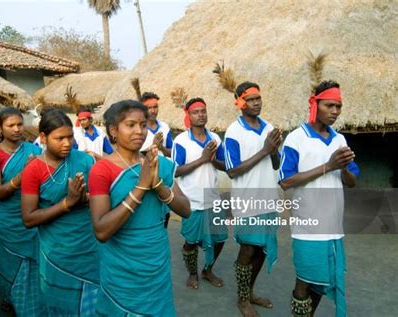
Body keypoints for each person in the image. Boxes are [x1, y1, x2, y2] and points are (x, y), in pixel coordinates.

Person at [88, 100, 190, 316]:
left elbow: (186, 210)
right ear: (114, 131)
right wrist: (141, 187)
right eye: (131, 125)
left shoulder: (158, 163)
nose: (139, 131)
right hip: (122, 265)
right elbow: (101, 231)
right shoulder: (101, 170)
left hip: (156, 260)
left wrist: (159, 186)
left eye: (143, 125)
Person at [279, 80, 359, 317]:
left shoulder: (339, 140)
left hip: (334, 227)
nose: (335, 111)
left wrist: (343, 168)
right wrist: (328, 165)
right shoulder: (296, 139)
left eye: (339, 106)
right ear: (315, 104)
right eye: (329, 105)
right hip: (308, 225)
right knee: (304, 281)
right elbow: (285, 181)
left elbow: (352, 182)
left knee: (323, 283)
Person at [21, 109, 100, 316]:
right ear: (43, 138)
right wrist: (68, 203)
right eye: (59, 138)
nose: (67, 143)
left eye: (70, 137)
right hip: (57, 252)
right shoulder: (33, 170)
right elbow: (29, 218)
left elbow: (101, 200)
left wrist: (87, 198)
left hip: (88, 248)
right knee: (59, 306)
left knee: (91, 305)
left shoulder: (84, 161)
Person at [224, 82, 282, 316]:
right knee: (248, 249)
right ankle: (242, 299)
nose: (257, 103)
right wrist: (265, 150)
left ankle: (250, 292)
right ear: (239, 102)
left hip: (268, 198)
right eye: (251, 99)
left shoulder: (268, 127)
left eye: (259, 98)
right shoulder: (233, 132)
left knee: (261, 250)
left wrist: (275, 148)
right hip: (247, 201)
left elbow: (277, 164)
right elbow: (232, 170)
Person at [0, 108, 42, 315]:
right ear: (0, 128)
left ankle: (33, 306)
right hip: (9, 218)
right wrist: (22, 176)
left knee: (35, 263)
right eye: (11, 125)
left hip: (33, 215)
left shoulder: (34, 151)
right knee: (12, 262)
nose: (17, 129)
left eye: (20, 124)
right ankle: (12, 298)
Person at [172, 97, 227, 290]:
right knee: (191, 242)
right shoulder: (181, 141)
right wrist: (202, 159)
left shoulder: (215, 139)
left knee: (220, 239)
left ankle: (208, 270)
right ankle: (192, 273)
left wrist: (212, 160)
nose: (201, 115)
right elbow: (175, 171)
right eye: (196, 112)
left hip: (213, 198)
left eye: (203, 111)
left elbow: (225, 166)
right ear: (188, 115)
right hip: (191, 200)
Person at [139, 92, 173, 157]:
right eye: (149, 108)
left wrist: (161, 148)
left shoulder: (164, 127)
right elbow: (133, 157)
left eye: (155, 107)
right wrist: (154, 146)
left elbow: (173, 153)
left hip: (164, 166)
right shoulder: (138, 129)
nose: (153, 111)